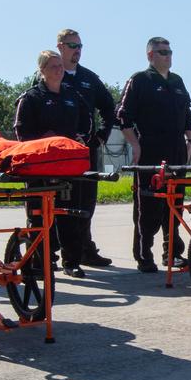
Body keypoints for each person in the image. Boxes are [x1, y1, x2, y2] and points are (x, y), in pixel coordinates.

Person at [118, 36, 191, 273]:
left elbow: (188, 117)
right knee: (149, 205)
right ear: (150, 55)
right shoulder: (140, 80)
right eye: (162, 52)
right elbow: (123, 116)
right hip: (151, 150)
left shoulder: (178, 81)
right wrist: (135, 145)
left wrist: (189, 140)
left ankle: (171, 253)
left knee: (175, 204)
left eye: (170, 51)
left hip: (177, 151)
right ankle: (144, 254)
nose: (168, 56)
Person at [14, 50, 91, 277]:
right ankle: (40, 261)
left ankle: (72, 262)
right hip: (39, 168)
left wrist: (81, 138)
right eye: (53, 66)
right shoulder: (31, 98)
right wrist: (43, 141)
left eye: (60, 66)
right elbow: (21, 132)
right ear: (42, 70)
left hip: (68, 166)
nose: (58, 70)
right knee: (38, 215)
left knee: (69, 215)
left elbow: (87, 122)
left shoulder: (72, 95)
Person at [56, 28, 117, 269]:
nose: (77, 51)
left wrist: (101, 135)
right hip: (58, 154)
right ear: (60, 46)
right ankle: (55, 253)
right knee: (61, 203)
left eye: (80, 46)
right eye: (72, 46)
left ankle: (84, 249)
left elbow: (109, 107)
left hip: (86, 152)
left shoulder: (89, 78)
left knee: (86, 203)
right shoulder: (50, 74)